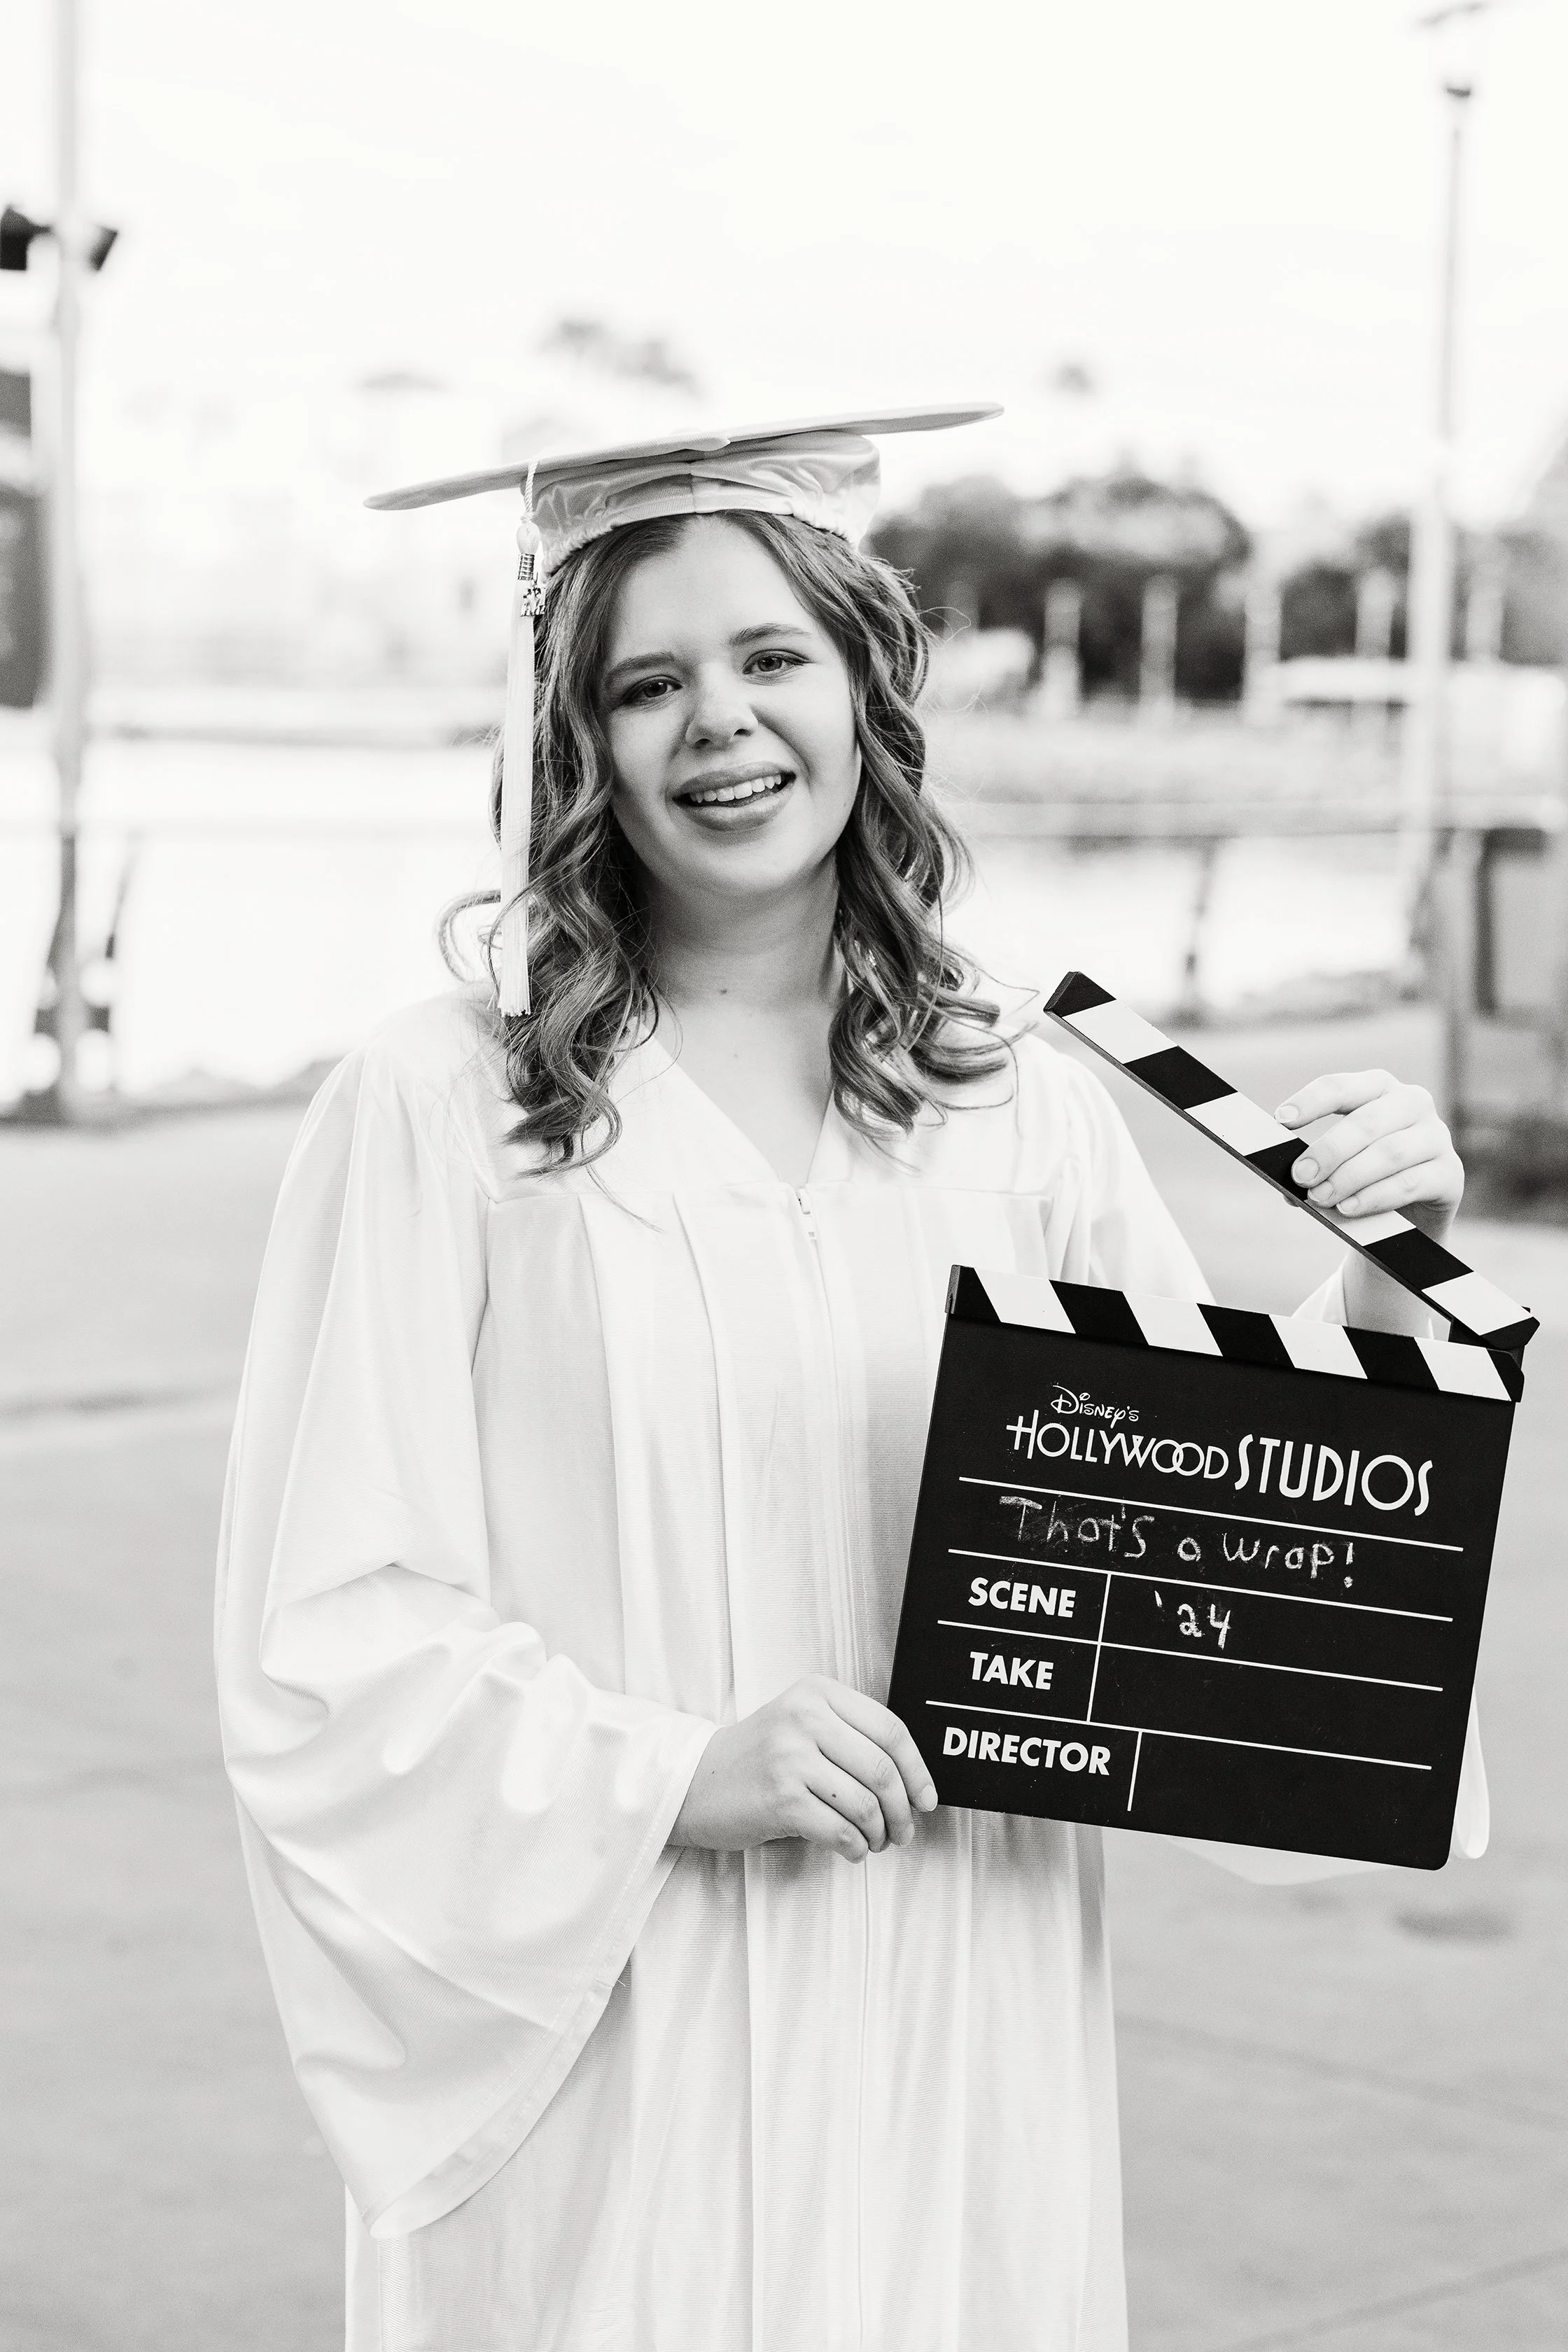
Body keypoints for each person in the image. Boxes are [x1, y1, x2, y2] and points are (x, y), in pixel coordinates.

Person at [215, 410, 1485, 2352]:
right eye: (648, 683)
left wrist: (1384, 1293)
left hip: (951, 2036)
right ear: (578, 743)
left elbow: (1209, 1597)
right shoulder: (443, 1108)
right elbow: (322, 1637)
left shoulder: (1016, 1101)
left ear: (866, 687)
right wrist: (668, 1773)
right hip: (621, 2073)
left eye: (770, 657)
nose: (719, 726)